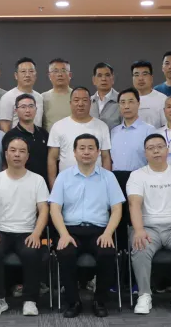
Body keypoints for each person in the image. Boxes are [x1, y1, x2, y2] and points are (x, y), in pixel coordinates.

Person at [49, 134, 125, 318]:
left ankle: (100, 301)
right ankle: (73, 302)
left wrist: (108, 233)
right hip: (70, 230)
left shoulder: (108, 177)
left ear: (98, 152)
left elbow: (117, 209)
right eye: (81, 148)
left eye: (91, 148)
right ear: (74, 152)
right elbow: (55, 209)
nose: (86, 152)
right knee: (65, 252)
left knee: (107, 253)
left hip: (100, 230)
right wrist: (64, 234)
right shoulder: (63, 177)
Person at [128, 134, 171, 315]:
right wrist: (138, 230)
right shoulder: (137, 176)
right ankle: (144, 294)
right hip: (148, 227)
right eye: (151, 148)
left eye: (160, 147)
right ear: (145, 153)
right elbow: (134, 204)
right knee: (139, 246)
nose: (156, 151)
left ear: (167, 150)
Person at [0, 137, 50, 317]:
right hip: (0, 231)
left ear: (27, 156)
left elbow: (44, 209)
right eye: (13, 150)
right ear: (6, 154)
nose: (17, 154)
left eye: (21, 151)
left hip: (27, 232)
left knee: (32, 252)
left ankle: (30, 300)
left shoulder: (37, 180)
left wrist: (36, 234)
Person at [47, 87, 112, 183]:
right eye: (76, 100)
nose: (80, 104)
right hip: (67, 183)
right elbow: (52, 158)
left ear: (90, 103)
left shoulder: (102, 126)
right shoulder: (58, 126)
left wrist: (107, 183)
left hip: (96, 183)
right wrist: (53, 187)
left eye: (85, 100)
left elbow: (105, 157)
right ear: (70, 103)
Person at [1, 94, 49, 179]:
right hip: (19, 182)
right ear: (16, 110)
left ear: (36, 109)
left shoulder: (44, 133)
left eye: (31, 106)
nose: (27, 110)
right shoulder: (10, 136)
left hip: (42, 182)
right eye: (23, 107)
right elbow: (6, 164)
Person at [110, 88, 155, 176]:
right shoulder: (114, 131)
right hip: (116, 179)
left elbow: (154, 159)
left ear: (138, 104)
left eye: (130, 102)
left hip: (140, 178)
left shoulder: (149, 130)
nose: (126, 106)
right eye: (122, 102)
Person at [0, 57, 45, 131]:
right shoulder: (7, 97)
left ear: (35, 75)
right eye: (23, 71)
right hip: (16, 138)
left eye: (31, 71)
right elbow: (4, 128)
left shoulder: (39, 97)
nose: (27, 75)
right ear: (16, 75)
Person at [130, 60, 167, 128]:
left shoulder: (162, 99)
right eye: (136, 75)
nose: (140, 78)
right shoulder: (127, 99)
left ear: (151, 77)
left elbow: (167, 127)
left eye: (144, 74)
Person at [41, 58, 72, 131]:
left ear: (70, 75)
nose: (59, 74)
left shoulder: (77, 96)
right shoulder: (42, 97)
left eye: (63, 71)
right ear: (49, 76)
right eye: (55, 71)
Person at [90, 62, 120, 129]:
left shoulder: (121, 100)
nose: (103, 79)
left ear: (113, 79)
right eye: (99, 75)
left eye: (107, 75)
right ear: (94, 80)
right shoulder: (88, 102)